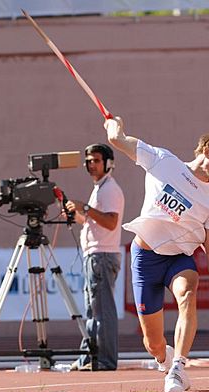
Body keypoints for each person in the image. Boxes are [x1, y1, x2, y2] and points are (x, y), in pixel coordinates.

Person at [104, 116, 209, 392]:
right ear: (206, 150)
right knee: (152, 343)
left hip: (178, 260)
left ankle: (178, 368)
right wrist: (114, 125)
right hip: (144, 258)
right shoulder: (163, 161)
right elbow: (118, 141)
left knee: (188, 296)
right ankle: (164, 358)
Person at [65, 143, 125, 371]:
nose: (91, 164)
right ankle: (89, 357)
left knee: (102, 312)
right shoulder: (101, 188)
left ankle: (105, 361)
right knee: (93, 311)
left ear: (108, 163)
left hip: (102, 255)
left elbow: (110, 222)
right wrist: (78, 213)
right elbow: (95, 221)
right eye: (88, 161)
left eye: (96, 160)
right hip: (96, 255)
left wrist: (86, 209)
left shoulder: (109, 189)